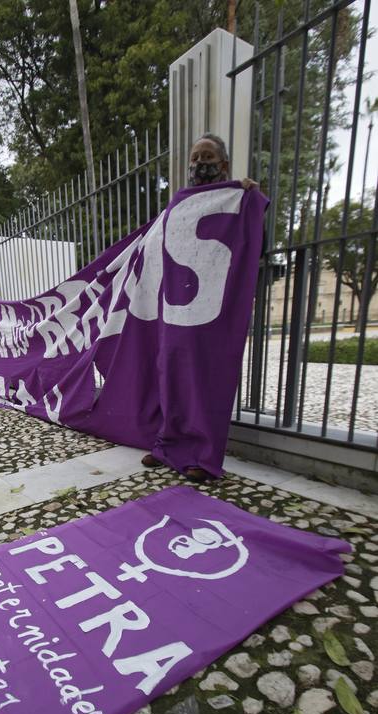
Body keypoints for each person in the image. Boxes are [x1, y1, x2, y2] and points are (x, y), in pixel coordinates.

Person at [141, 132, 259, 481]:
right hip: (177, 307)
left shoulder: (239, 198)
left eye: (206, 157)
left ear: (222, 164)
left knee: (204, 379)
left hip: (211, 310)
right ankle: (168, 446)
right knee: (171, 375)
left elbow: (251, 242)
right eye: (194, 158)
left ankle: (202, 455)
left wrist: (248, 194)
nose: (198, 164)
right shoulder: (179, 201)